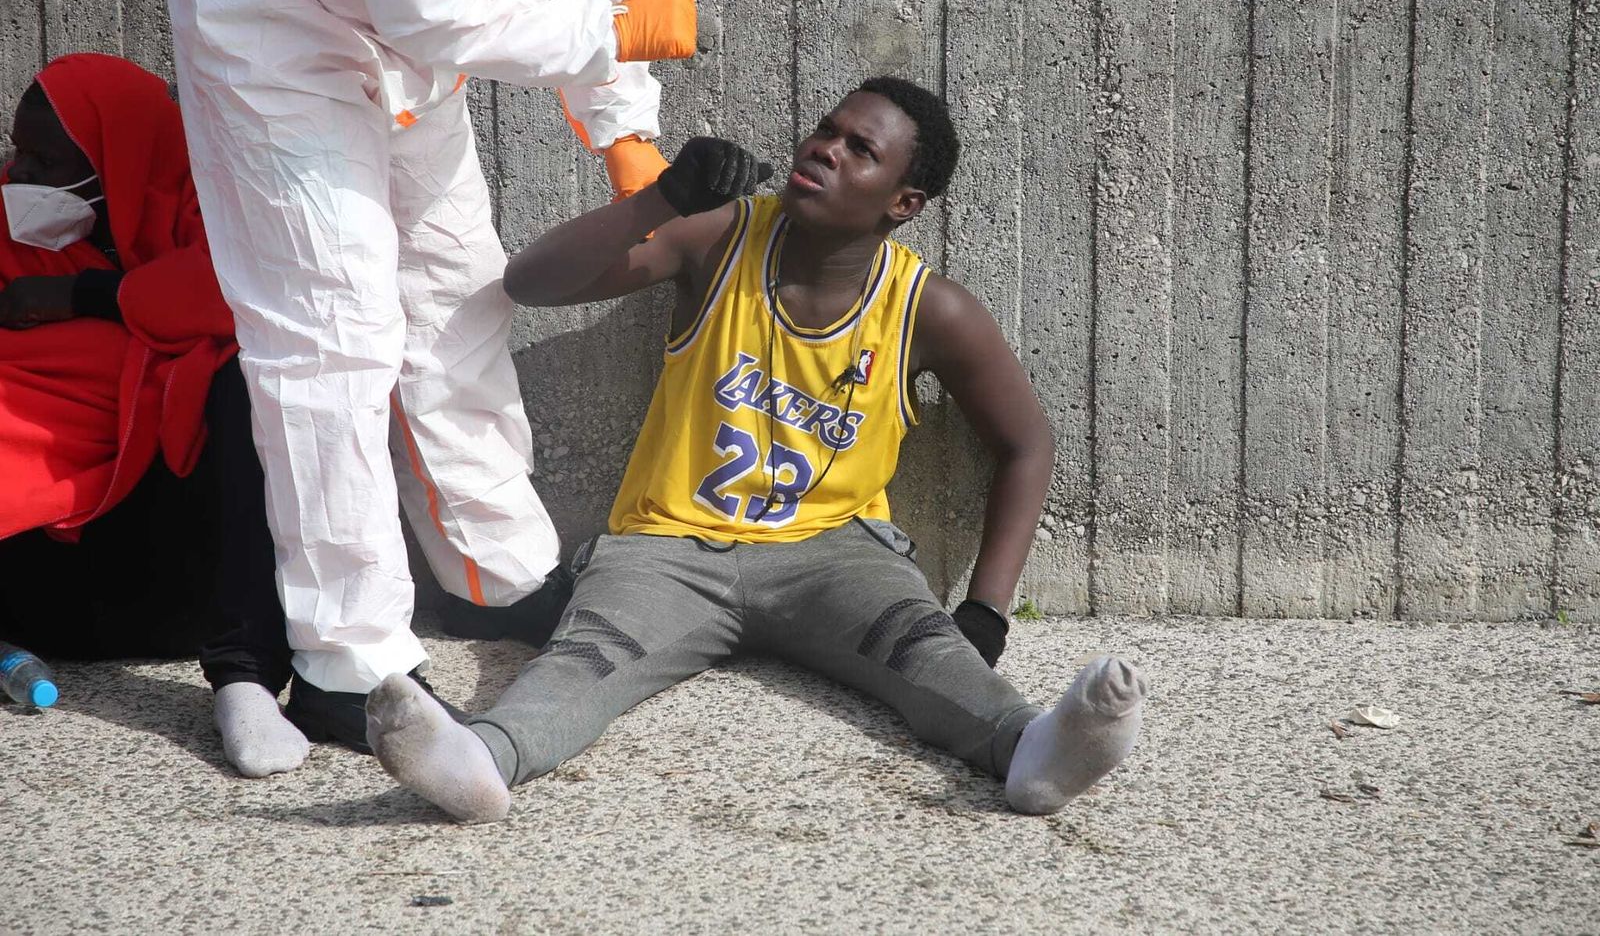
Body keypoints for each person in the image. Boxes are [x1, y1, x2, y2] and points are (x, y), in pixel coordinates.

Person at [363, 76, 1150, 823]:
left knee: (926, 652)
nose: (826, 150)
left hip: (835, 556)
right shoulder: (723, 239)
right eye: (826, 130)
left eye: (860, 151)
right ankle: (481, 761)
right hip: (669, 550)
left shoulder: (928, 308)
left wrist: (986, 608)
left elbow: (1025, 445)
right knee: (582, 663)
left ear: (904, 203)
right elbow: (532, 282)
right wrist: (664, 198)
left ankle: (1034, 752)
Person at [163, 0, 721, 748]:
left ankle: (497, 577)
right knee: (330, 326)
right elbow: (434, 6)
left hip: (404, 14)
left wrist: (626, 133)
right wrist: (604, 34)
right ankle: (344, 662)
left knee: (456, 287)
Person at [0, 53, 304, 778]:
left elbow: (236, 292)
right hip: (40, 589)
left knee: (246, 378)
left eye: (47, 158)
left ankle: (243, 677)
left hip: (182, 578)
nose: (23, 176)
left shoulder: (219, 208)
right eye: (19, 151)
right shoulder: (11, 226)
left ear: (122, 160)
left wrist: (91, 303)